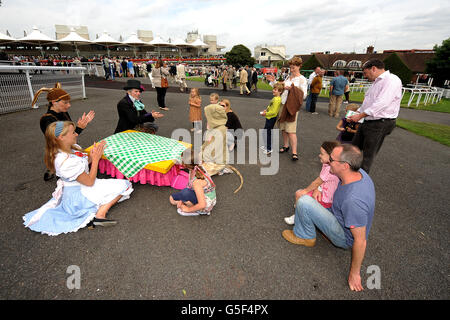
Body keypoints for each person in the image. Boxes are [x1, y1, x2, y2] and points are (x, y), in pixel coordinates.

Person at [281, 144, 375, 292]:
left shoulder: (353, 200)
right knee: (308, 198)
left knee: (304, 200)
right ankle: (323, 229)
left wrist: (355, 273)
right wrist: (318, 188)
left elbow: (361, 241)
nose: (328, 161)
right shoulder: (357, 173)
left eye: (331, 159)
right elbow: (328, 181)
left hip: (344, 237)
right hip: (338, 215)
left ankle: (305, 236)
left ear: (344, 166)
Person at [23, 121, 134, 235]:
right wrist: (96, 159)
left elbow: (85, 162)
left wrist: (94, 153)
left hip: (83, 184)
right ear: (61, 137)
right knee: (125, 185)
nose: (76, 134)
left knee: (122, 186)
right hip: (79, 194)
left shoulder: (72, 147)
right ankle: (100, 214)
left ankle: (100, 212)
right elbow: (90, 182)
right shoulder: (64, 161)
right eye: (73, 132)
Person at [348, 59, 402, 173]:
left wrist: (360, 115)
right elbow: (368, 102)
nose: (365, 76)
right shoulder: (376, 82)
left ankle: (361, 182)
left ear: (373, 68)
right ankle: (347, 172)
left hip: (380, 122)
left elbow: (382, 103)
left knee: (368, 155)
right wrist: (357, 113)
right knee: (353, 148)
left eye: (366, 73)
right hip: (368, 120)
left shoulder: (392, 80)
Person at [36, 83, 95, 181]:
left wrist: (80, 127)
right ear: (54, 102)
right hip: (59, 150)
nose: (69, 105)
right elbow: (63, 141)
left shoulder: (62, 112)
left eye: (69, 102)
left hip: (67, 146)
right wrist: (79, 128)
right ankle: (55, 169)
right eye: (65, 102)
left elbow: (69, 134)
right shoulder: (47, 120)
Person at [284, 140, 341, 225]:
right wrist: (319, 189)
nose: (319, 155)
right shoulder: (330, 165)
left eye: (322, 154)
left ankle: (298, 216)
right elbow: (322, 183)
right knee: (301, 195)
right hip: (326, 194)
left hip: (325, 198)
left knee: (299, 194)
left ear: (330, 156)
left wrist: (305, 191)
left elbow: (317, 182)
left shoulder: (329, 169)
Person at [266, 57, 307, 161]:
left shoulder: (302, 79)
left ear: (299, 66)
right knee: (283, 127)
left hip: (292, 107)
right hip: (283, 105)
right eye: (291, 67)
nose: (292, 69)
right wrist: (273, 81)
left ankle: (294, 152)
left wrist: (293, 89)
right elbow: (280, 88)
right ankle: (285, 146)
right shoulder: (288, 77)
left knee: (291, 130)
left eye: (294, 67)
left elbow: (304, 95)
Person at [169, 150, 216, 216]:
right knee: (173, 198)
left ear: (185, 165)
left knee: (173, 199)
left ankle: (195, 210)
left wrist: (188, 209)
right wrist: (181, 200)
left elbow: (203, 204)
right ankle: (188, 203)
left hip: (206, 205)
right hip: (208, 198)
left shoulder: (196, 182)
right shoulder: (197, 167)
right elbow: (190, 186)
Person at [201, 98, 229, 176]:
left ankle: (220, 168)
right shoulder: (216, 127)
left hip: (215, 158)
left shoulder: (219, 129)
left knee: (203, 170)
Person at [259, 82, 284, 154]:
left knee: (267, 133)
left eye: (275, 90)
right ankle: (267, 146)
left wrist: (265, 113)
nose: (273, 90)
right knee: (266, 132)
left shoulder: (276, 99)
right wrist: (266, 110)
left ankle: (269, 149)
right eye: (274, 89)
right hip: (270, 117)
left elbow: (274, 112)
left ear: (280, 91)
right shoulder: (276, 98)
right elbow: (270, 106)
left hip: (271, 118)